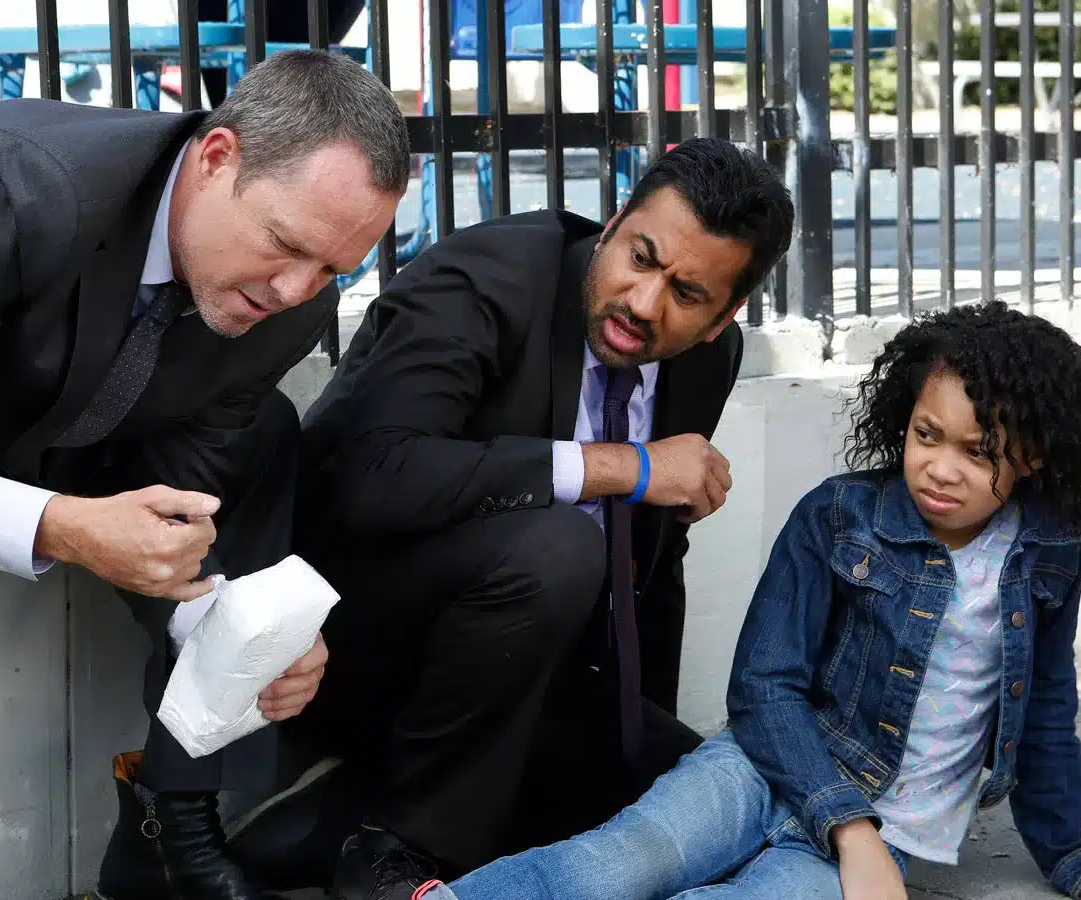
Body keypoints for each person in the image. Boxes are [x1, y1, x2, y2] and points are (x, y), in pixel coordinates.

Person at [0, 50, 409, 900]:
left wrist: (240, 634)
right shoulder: (9, 179)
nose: (297, 290)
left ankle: (172, 826)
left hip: (15, 416)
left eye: (334, 271)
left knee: (263, 432)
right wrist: (62, 526)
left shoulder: (287, 303)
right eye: (285, 244)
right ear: (216, 157)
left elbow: (179, 495)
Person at [413, 302, 1081, 900]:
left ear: (1033, 458)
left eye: (979, 452)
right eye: (927, 435)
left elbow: (1046, 705)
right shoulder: (839, 516)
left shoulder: (1050, 550)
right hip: (763, 769)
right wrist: (845, 824)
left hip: (892, 825)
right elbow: (763, 688)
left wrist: (1073, 856)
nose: (941, 467)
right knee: (620, 863)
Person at [288, 137, 795, 900]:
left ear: (724, 316)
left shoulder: (703, 357)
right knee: (557, 544)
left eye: (688, 294)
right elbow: (376, 474)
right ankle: (393, 852)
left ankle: (324, 829)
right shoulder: (482, 280)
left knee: (724, 809)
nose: (644, 304)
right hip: (345, 649)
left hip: (530, 683)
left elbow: (653, 563)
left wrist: (635, 747)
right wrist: (623, 466)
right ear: (613, 222)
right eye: (640, 258)